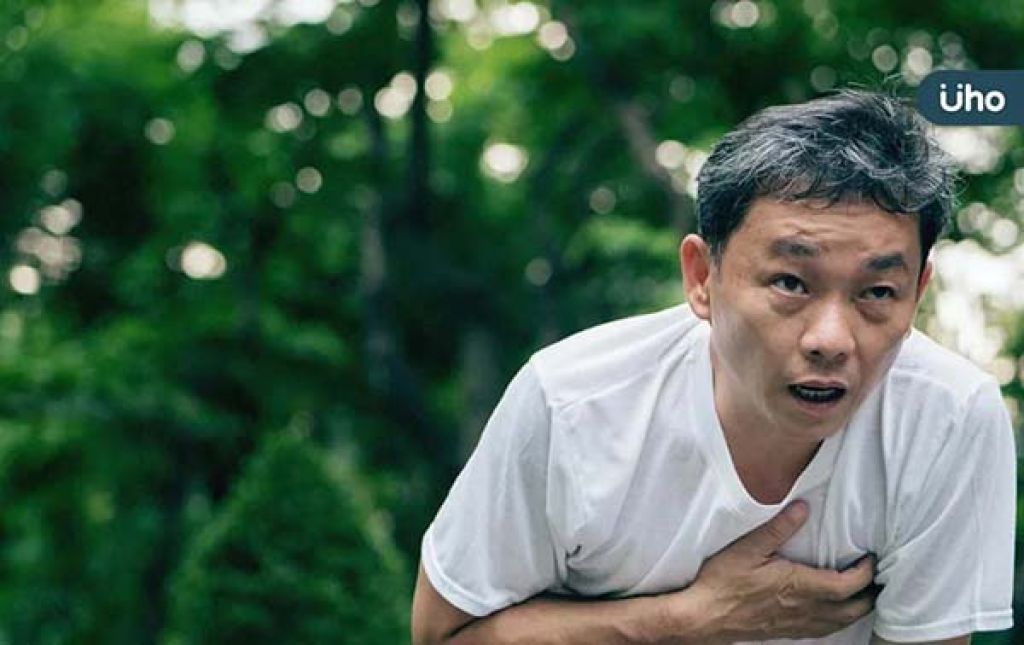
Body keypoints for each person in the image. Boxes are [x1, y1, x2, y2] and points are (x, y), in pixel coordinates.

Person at [411, 90, 1016, 644]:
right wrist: (688, 620)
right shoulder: (572, 404)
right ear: (702, 277)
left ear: (918, 292)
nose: (831, 340)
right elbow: (443, 636)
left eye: (878, 292)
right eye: (790, 282)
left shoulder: (946, 419)